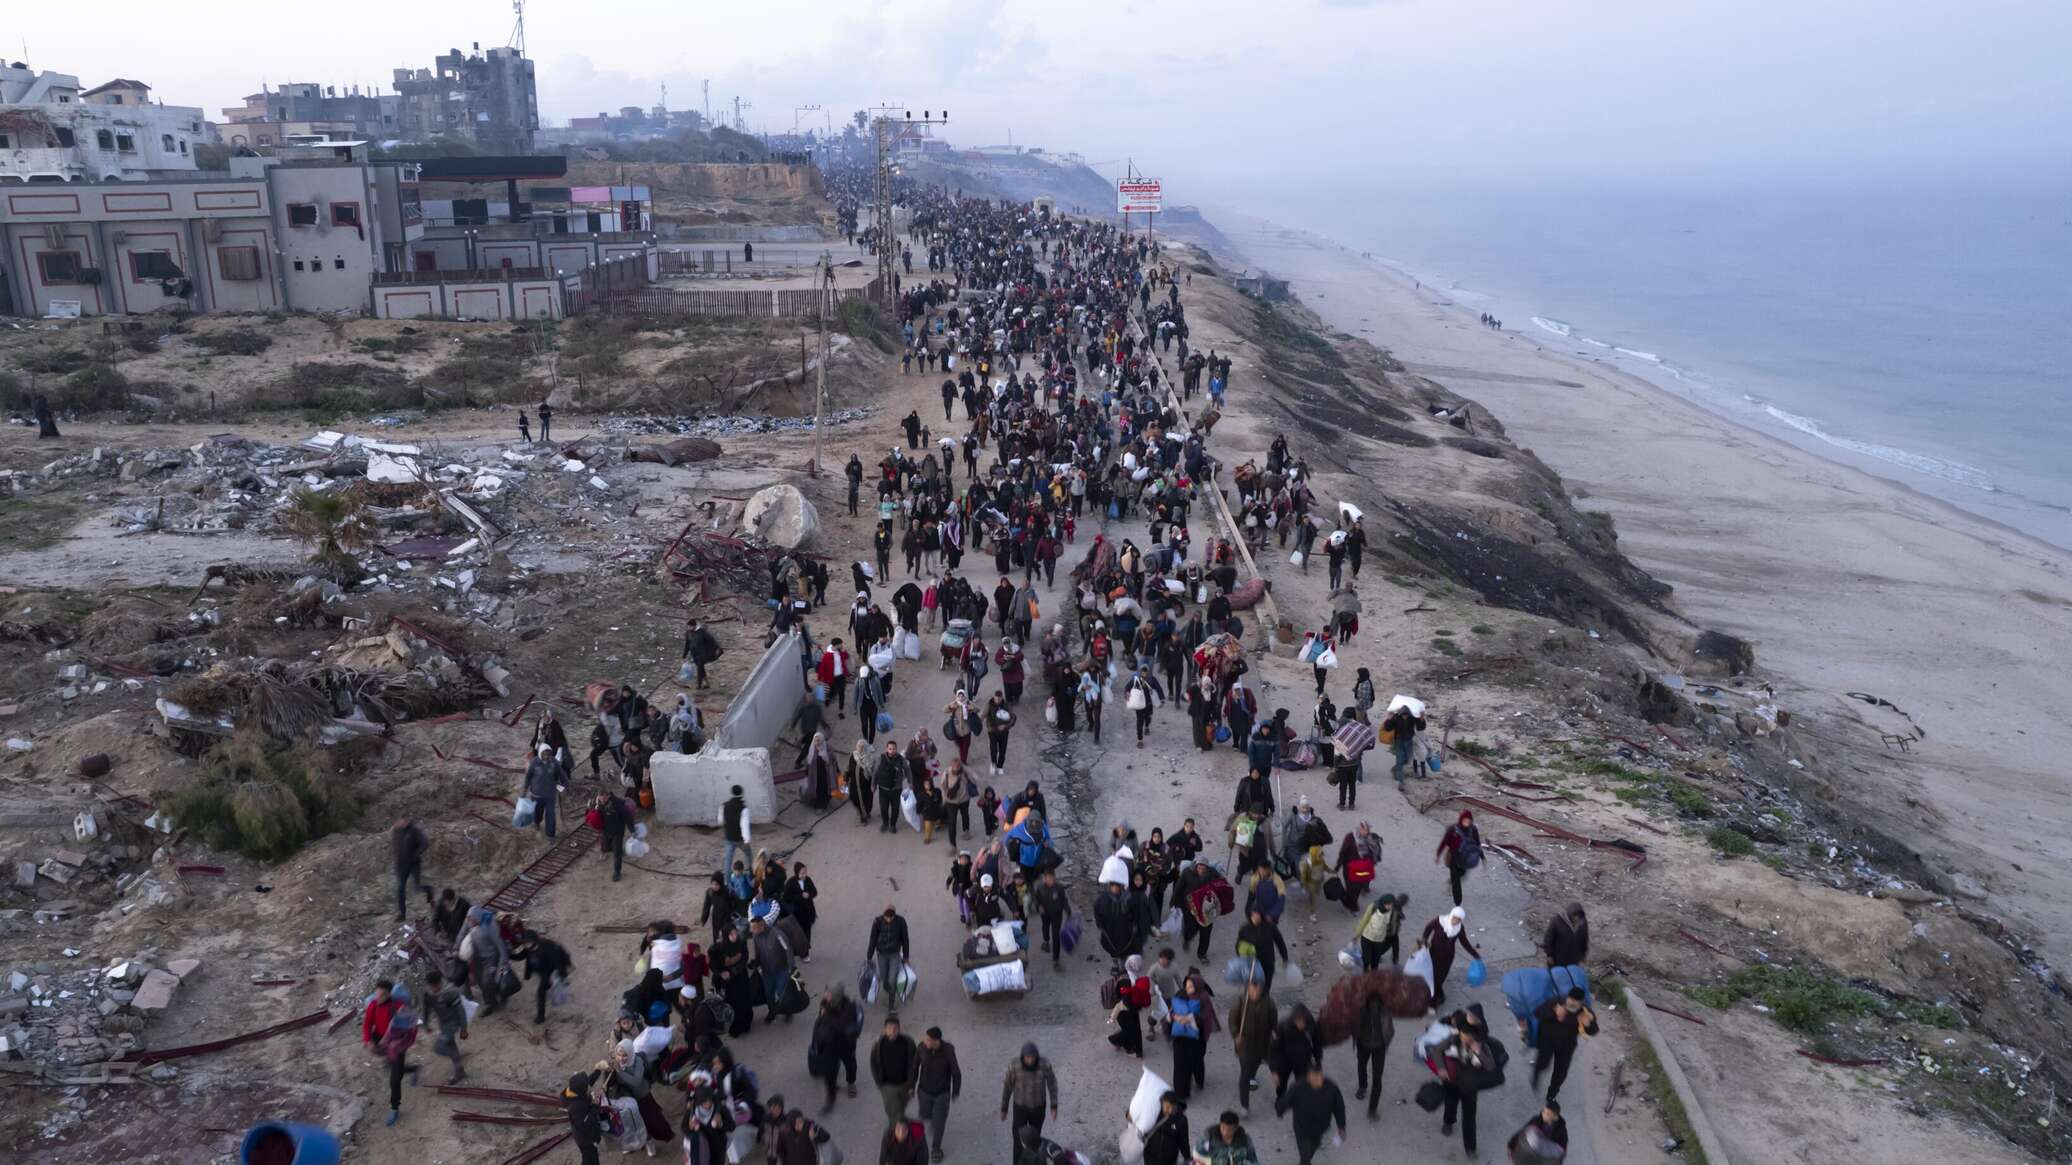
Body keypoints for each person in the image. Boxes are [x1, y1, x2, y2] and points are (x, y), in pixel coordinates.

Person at [1531, 988, 1598, 1103]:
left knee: (1561, 1071)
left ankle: (1552, 1094)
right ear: (1567, 997)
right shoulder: (1555, 1002)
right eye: (1571, 999)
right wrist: (1553, 1012)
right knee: (1542, 1063)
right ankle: (1536, 1075)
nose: (1573, 1003)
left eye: (1576, 1001)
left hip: (1567, 1045)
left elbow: (1594, 1031)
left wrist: (1589, 1024)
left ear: (1581, 1002)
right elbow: (1537, 1012)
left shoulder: (1586, 1012)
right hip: (1547, 1041)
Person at [1273, 1062, 1346, 1165]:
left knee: (1312, 1149)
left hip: (1320, 1128)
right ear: (1308, 1076)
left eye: (1318, 1076)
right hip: (1301, 1128)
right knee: (1305, 1154)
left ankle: (1304, 1161)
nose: (1316, 1079)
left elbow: (1339, 1108)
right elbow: (1287, 1100)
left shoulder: (1332, 1089)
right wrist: (1280, 1110)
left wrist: (1341, 1127)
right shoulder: (1298, 1087)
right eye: (1313, 1076)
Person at [999, 1042, 1059, 1162]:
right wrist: (1004, 1108)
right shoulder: (1014, 1066)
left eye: (1032, 1057)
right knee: (1017, 1139)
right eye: (1027, 1057)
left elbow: (1052, 1084)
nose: (1030, 1060)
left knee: (1034, 1140)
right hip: (1020, 1108)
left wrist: (1054, 1105)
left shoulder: (1044, 1065)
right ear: (1023, 1057)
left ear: (1036, 1056)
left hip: (1038, 1108)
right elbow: (1007, 1087)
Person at [809, 987, 864, 1112]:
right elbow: (820, 1025)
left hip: (846, 1045)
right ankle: (831, 1096)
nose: (826, 995)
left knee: (850, 1064)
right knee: (830, 1069)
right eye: (826, 993)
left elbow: (845, 1027)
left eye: (829, 994)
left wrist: (829, 1019)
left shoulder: (848, 1008)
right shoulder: (825, 1004)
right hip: (830, 1045)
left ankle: (851, 1084)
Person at [915, 1025, 963, 1163]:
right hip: (924, 1091)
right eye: (925, 1038)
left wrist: (955, 1091)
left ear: (936, 1041)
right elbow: (914, 1067)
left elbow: (956, 1072)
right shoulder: (922, 1048)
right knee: (925, 1116)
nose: (925, 1041)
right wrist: (911, 1085)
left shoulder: (948, 1050)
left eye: (928, 1040)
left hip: (942, 1093)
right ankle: (933, 1122)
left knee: (939, 1122)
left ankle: (936, 1148)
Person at [1421, 906, 1481, 1010]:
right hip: (1434, 955)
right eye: (1454, 917)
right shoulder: (1439, 921)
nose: (1456, 921)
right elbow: (1428, 928)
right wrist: (1424, 941)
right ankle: (1433, 1004)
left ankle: (1440, 997)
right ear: (1451, 915)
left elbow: (1465, 943)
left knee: (1439, 980)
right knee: (1434, 980)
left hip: (1447, 958)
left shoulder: (1460, 929)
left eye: (1459, 919)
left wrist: (1475, 955)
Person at [1229, 978, 1276, 1112]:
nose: (1254, 992)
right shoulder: (1240, 1003)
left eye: (1257, 990)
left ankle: (1252, 1076)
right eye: (1252, 989)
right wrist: (1236, 1035)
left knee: (1255, 1064)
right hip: (1245, 1046)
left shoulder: (1269, 1004)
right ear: (1248, 989)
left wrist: (1274, 1033)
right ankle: (1245, 1105)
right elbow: (1232, 1021)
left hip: (1262, 1044)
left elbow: (1274, 1022)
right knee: (1245, 1073)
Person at [1267, 1004, 1321, 1106]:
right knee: (1281, 1083)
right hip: (1285, 1060)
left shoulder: (1311, 1024)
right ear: (1293, 1019)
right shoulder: (1282, 1026)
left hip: (1303, 1059)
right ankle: (1280, 1098)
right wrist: (1274, 1070)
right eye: (1298, 1021)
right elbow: (1273, 1049)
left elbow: (1317, 1043)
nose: (1301, 1024)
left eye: (1303, 1021)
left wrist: (1318, 1062)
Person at [516, 928, 573, 1025]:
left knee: (540, 993)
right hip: (540, 971)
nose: (525, 945)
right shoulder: (528, 949)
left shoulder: (548, 947)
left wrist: (561, 975)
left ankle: (540, 1017)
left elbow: (558, 961)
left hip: (549, 971)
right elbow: (520, 956)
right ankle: (549, 986)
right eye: (524, 943)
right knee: (546, 986)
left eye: (527, 942)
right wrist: (508, 954)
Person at [378, 996, 421, 1126]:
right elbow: (389, 1032)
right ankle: (414, 1069)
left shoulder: (412, 1021)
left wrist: (396, 1046)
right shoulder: (397, 1011)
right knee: (397, 1070)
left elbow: (409, 1040)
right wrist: (384, 1043)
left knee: (395, 1080)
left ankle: (394, 1108)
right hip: (391, 1049)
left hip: (398, 1050)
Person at [871, 1012, 919, 1126]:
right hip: (888, 1086)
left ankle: (899, 1126)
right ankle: (897, 1132)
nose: (892, 1031)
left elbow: (914, 1066)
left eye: (895, 1028)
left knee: (900, 1108)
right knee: (892, 1111)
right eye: (889, 1028)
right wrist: (879, 1083)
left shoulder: (909, 1043)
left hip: (905, 1085)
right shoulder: (878, 1045)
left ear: (899, 1029)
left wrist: (912, 1085)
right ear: (884, 1029)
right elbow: (873, 1064)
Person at [422, 969, 468, 1084]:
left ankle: (457, 1061)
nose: (433, 989)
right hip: (442, 1022)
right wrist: (426, 1023)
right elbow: (426, 1008)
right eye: (431, 986)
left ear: (440, 983)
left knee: (439, 1047)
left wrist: (464, 1029)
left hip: (453, 1023)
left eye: (435, 986)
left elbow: (461, 1011)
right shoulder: (428, 992)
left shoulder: (450, 991)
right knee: (450, 1044)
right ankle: (459, 1071)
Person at [1350, 990, 1392, 1118]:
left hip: (1378, 1046)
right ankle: (1363, 1086)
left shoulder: (1385, 1009)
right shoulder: (1361, 1009)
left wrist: (1386, 1040)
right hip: (1364, 1045)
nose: (1374, 1005)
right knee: (1363, 1066)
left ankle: (1372, 1108)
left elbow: (1389, 1027)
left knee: (1377, 1078)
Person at [1168, 973, 1209, 1099]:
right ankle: (1190, 1087)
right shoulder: (1188, 995)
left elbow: (1206, 1017)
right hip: (1187, 1038)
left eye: (1191, 986)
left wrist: (1188, 1019)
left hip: (1188, 1039)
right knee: (1189, 1063)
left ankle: (1190, 1086)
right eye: (1188, 985)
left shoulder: (1199, 997)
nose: (1189, 988)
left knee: (1188, 1064)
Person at [1109, 953, 1154, 1058]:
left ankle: (1138, 1052)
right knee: (1131, 1031)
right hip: (1125, 1010)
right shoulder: (1126, 979)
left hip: (1132, 1009)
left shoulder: (1134, 976)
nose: (1138, 966)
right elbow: (1125, 998)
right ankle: (1115, 1040)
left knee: (1135, 1030)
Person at [867, 905, 911, 1011]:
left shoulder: (901, 922)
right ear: (884, 915)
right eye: (887, 917)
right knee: (883, 977)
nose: (889, 919)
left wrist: (905, 956)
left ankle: (891, 1005)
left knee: (892, 980)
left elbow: (905, 939)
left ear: (894, 915)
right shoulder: (877, 922)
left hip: (894, 954)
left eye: (891, 917)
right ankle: (887, 986)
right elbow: (873, 939)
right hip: (881, 954)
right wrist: (869, 956)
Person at [1235, 908, 1289, 992]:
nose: (1255, 917)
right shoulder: (1245, 929)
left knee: (1266, 987)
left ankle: (1264, 1001)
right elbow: (1239, 946)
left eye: (1257, 914)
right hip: (1252, 964)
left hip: (1267, 962)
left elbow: (1280, 942)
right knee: (1252, 987)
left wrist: (1284, 957)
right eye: (1253, 914)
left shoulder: (1270, 927)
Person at [1435, 810, 1482, 906]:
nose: (1467, 822)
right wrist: (1438, 855)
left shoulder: (1473, 830)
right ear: (1461, 819)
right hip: (1453, 856)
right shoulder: (1453, 830)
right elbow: (1444, 842)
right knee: (1456, 880)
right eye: (1465, 820)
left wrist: (1481, 856)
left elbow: (1477, 843)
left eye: (1469, 821)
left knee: (1462, 873)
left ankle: (1451, 882)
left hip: (1465, 857)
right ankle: (1458, 903)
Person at [1354, 892, 1406, 971]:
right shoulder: (1373, 907)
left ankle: (1374, 976)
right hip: (1367, 937)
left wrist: (1392, 933)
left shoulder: (1393, 911)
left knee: (1375, 961)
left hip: (1380, 939)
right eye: (1388, 905)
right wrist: (1356, 935)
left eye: (1391, 905)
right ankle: (1366, 973)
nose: (1390, 907)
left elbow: (1394, 923)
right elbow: (1364, 921)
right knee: (1367, 959)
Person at [1031, 868, 1071, 970]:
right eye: (1047, 878)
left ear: (1054, 878)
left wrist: (1068, 911)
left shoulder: (1059, 888)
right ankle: (1046, 941)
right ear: (1044, 878)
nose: (1049, 880)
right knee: (1045, 928)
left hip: (1057, 915)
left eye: (1051, 878)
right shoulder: (1040, 888)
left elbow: (1064, 901)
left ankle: (1056, 959)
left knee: (1056, 936)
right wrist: (1039, 906)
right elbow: (1035, 898)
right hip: (1045, 914)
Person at [390, 817, 427, 922]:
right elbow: (396, 846)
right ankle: (402, 914)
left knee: (417, 887)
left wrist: (415, 855)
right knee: (400, 888)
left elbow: (424, 843)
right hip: (400, 865)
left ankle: (429, 891)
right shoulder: (395, 831)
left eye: (399, 821)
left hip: (413, 864)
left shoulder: (414, 830)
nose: (396, 823)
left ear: (405, 821)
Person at [565, 1072, 605, 1165]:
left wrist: (598, 1070)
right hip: (586, 1140)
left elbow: (587, 1083)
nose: (589, 1088)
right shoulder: (577, 1106)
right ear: (582, 1090)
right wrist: (595, 1105)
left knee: (590, 1159)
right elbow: (587, 1123)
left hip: (583, 1137)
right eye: (587, 1087)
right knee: (591, 1160)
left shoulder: (574, 1093)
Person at [1193, 1110, 1261, 1165]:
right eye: (1223, 1128)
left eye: (1230, 1130)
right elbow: (1197, 1157)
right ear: (1220, 1125)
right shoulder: (1208, 1140)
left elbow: (1253, 1159)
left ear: (1236, 1128)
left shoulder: (1245, 1140)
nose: (1225, 1132)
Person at [523, 745, 561, 839]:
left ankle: (550, 835)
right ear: (540, 753)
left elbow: (560, 774)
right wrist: (525, 789)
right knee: (537, 812)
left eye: (548, 754)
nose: (546, 756)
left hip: (550, 795)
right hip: (537, 795)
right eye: (544, 754)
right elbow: (528, 777)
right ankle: (536, 822)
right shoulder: (534, 763)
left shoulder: (553, 762)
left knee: (551, 814)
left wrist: (564, 786)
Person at [595, 791, 631, 881]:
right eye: (600, 797)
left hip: (617, 831)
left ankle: (617, 872)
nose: (602, 800)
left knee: (617, 852)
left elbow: (626, 816)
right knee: (606, 847)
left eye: (604, 797)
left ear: (608, 796)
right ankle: (611, 850)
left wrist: (632, 829)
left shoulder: (617, 804)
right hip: (605, 830)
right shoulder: (596, 804)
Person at [1543, 902, 1589, 967]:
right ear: (1570, 914)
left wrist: (1583, 956)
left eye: (1579, 916)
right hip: (1557, 959)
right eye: (1575, 916)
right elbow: (1548, 939)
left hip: (1573, 960)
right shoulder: (1556, 921)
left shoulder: (1583, 923)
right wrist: (1549, 955)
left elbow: (1585, 940)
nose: (1577, 919)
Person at [721, 785, 751, 875]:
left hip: (729, 838)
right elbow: (744, 826)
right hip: (740, 839)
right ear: (742, 793)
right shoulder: (743, 808)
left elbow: (721, 820)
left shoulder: (724, 805)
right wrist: (747, 840)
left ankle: (727, 882)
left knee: (728, 861)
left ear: (732, 792)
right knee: (749, 856)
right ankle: (751, 874)